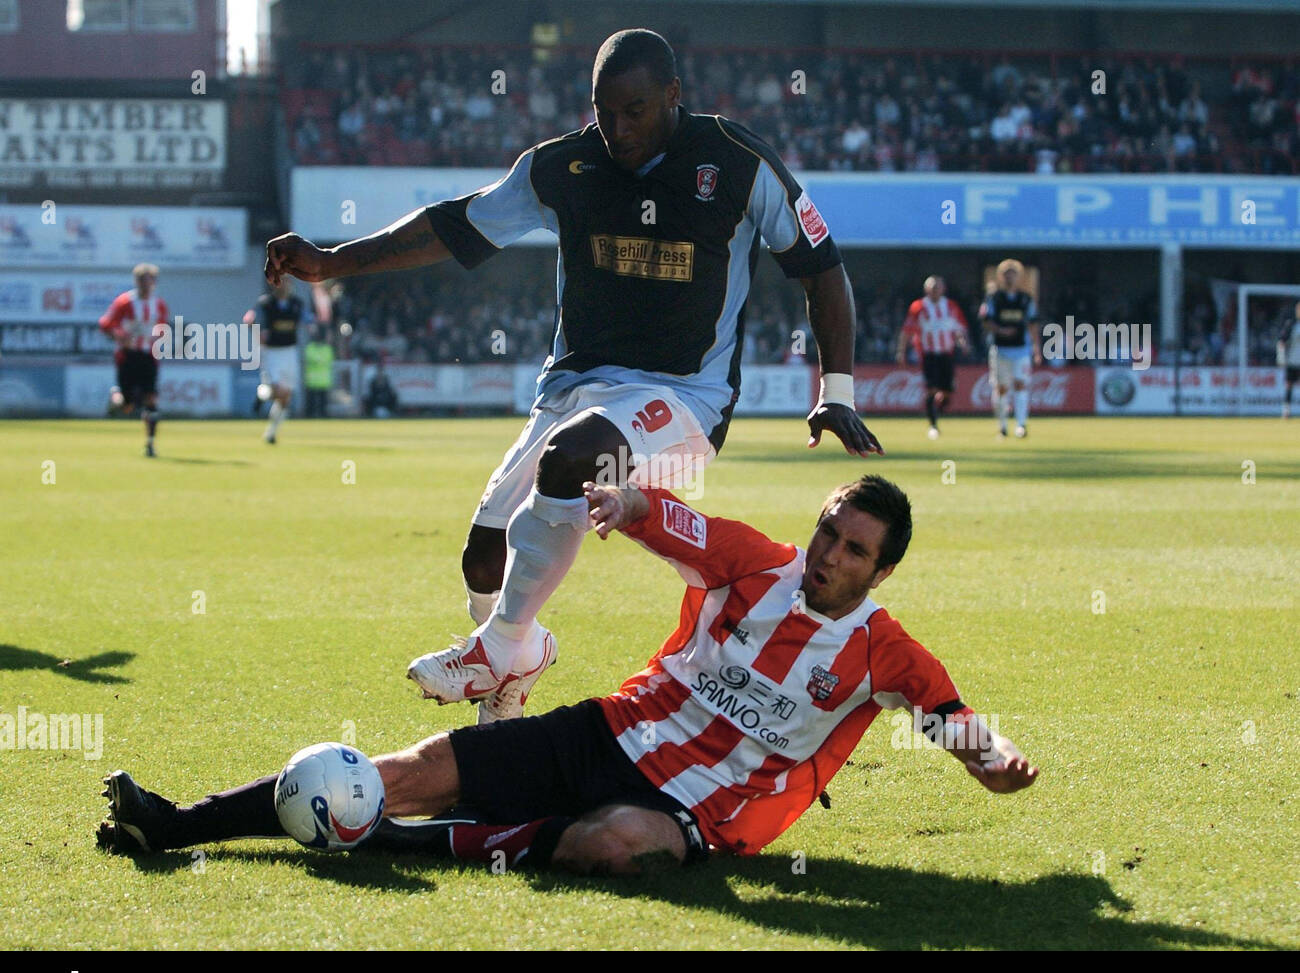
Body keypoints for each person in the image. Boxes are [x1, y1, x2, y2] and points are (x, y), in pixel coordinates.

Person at [262, 29, 883, 726]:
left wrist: (837, 392)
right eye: (603, 111)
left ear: (674, 97)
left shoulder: (737, 165)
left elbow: (821, 267)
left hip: (685, 401)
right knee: (482, 560)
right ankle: (509, 692)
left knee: (575, 454)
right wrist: (331, 261)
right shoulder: (564, 166)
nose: (616, 130)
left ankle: (495, 646)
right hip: (573, 389)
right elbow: (454, 226)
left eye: (635, 111)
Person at [95, 475, 1038, 875]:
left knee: (609, 847)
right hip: (608, 729)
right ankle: (176, 824)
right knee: (411, 771)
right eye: (828, 530)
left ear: (881, 570)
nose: (827, 552)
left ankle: (381, 844)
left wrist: (992, 757)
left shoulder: (885, 651)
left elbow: (948, 716)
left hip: (697, 815)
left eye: (851, 548)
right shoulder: (761, 563)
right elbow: (681, 524)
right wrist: (628, 501)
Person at [98, 263, 167, 457]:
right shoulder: (124, 302)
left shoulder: (159, 304)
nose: (146, 285)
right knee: (127, 406)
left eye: (150, 281)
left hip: (149, 356)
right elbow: (105, 324)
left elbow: (162, 328)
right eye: (142, 281)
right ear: (136, 282)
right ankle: (116, 397)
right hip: (127, 356)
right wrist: (119, 335)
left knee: (151, 399)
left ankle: (150, 444)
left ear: (154, 282)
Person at [896, 276, 969, 439]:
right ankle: (933, 424)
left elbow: (959, 328)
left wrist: (963, 343)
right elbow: (906, 330)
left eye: (938, 287)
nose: (935, 290)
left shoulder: (950, 306)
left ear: (943, 289)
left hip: (946, 353)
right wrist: (901, 351)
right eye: (932, 287)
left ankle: (937, 409)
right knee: (931, 388)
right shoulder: (918, 307)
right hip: (928, 353)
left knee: (948, 390)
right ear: (926, 289)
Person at [982, 259, 1041, 438]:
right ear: (1000, 276)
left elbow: (1032, 324)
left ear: (1019, 276)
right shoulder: (993, 298)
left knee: (1020, 385)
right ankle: (1003, 425)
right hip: (1000, 348)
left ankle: (1021, 425)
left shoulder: (1026, 299)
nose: (1010, 277)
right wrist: (1000, 330)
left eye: (1013, 273)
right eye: (1006, 273)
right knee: (1001, 388)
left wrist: (1037, 348)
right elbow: (986, 321)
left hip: (1021, 349)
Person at [250, 277, 306, 444]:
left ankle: (271, 432)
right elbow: (252, 321)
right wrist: (257, 334)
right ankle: (262, 394)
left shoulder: (297, 303)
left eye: (288, 282)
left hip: (289, 351)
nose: (286, 286)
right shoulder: (266, 304)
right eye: (283, 282)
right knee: (277, 391)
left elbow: (306, 320)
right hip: (272, 352)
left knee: (285, 397)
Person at [302, 324, 334, 418]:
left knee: (323, 404)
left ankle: (323, 417)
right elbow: (310, 359)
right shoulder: (310, 347)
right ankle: (308, 417)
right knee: (310, 404)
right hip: (312, 381)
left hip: (323, 381)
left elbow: (324, 359)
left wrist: (317, 360)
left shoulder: (327, 349)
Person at [1275, 301, 1300, 419]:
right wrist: (1281, 357)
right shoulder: (1292, 325)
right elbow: (1281, 342)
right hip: (1292, 361)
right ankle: (1286, 411)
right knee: (1289, 385)